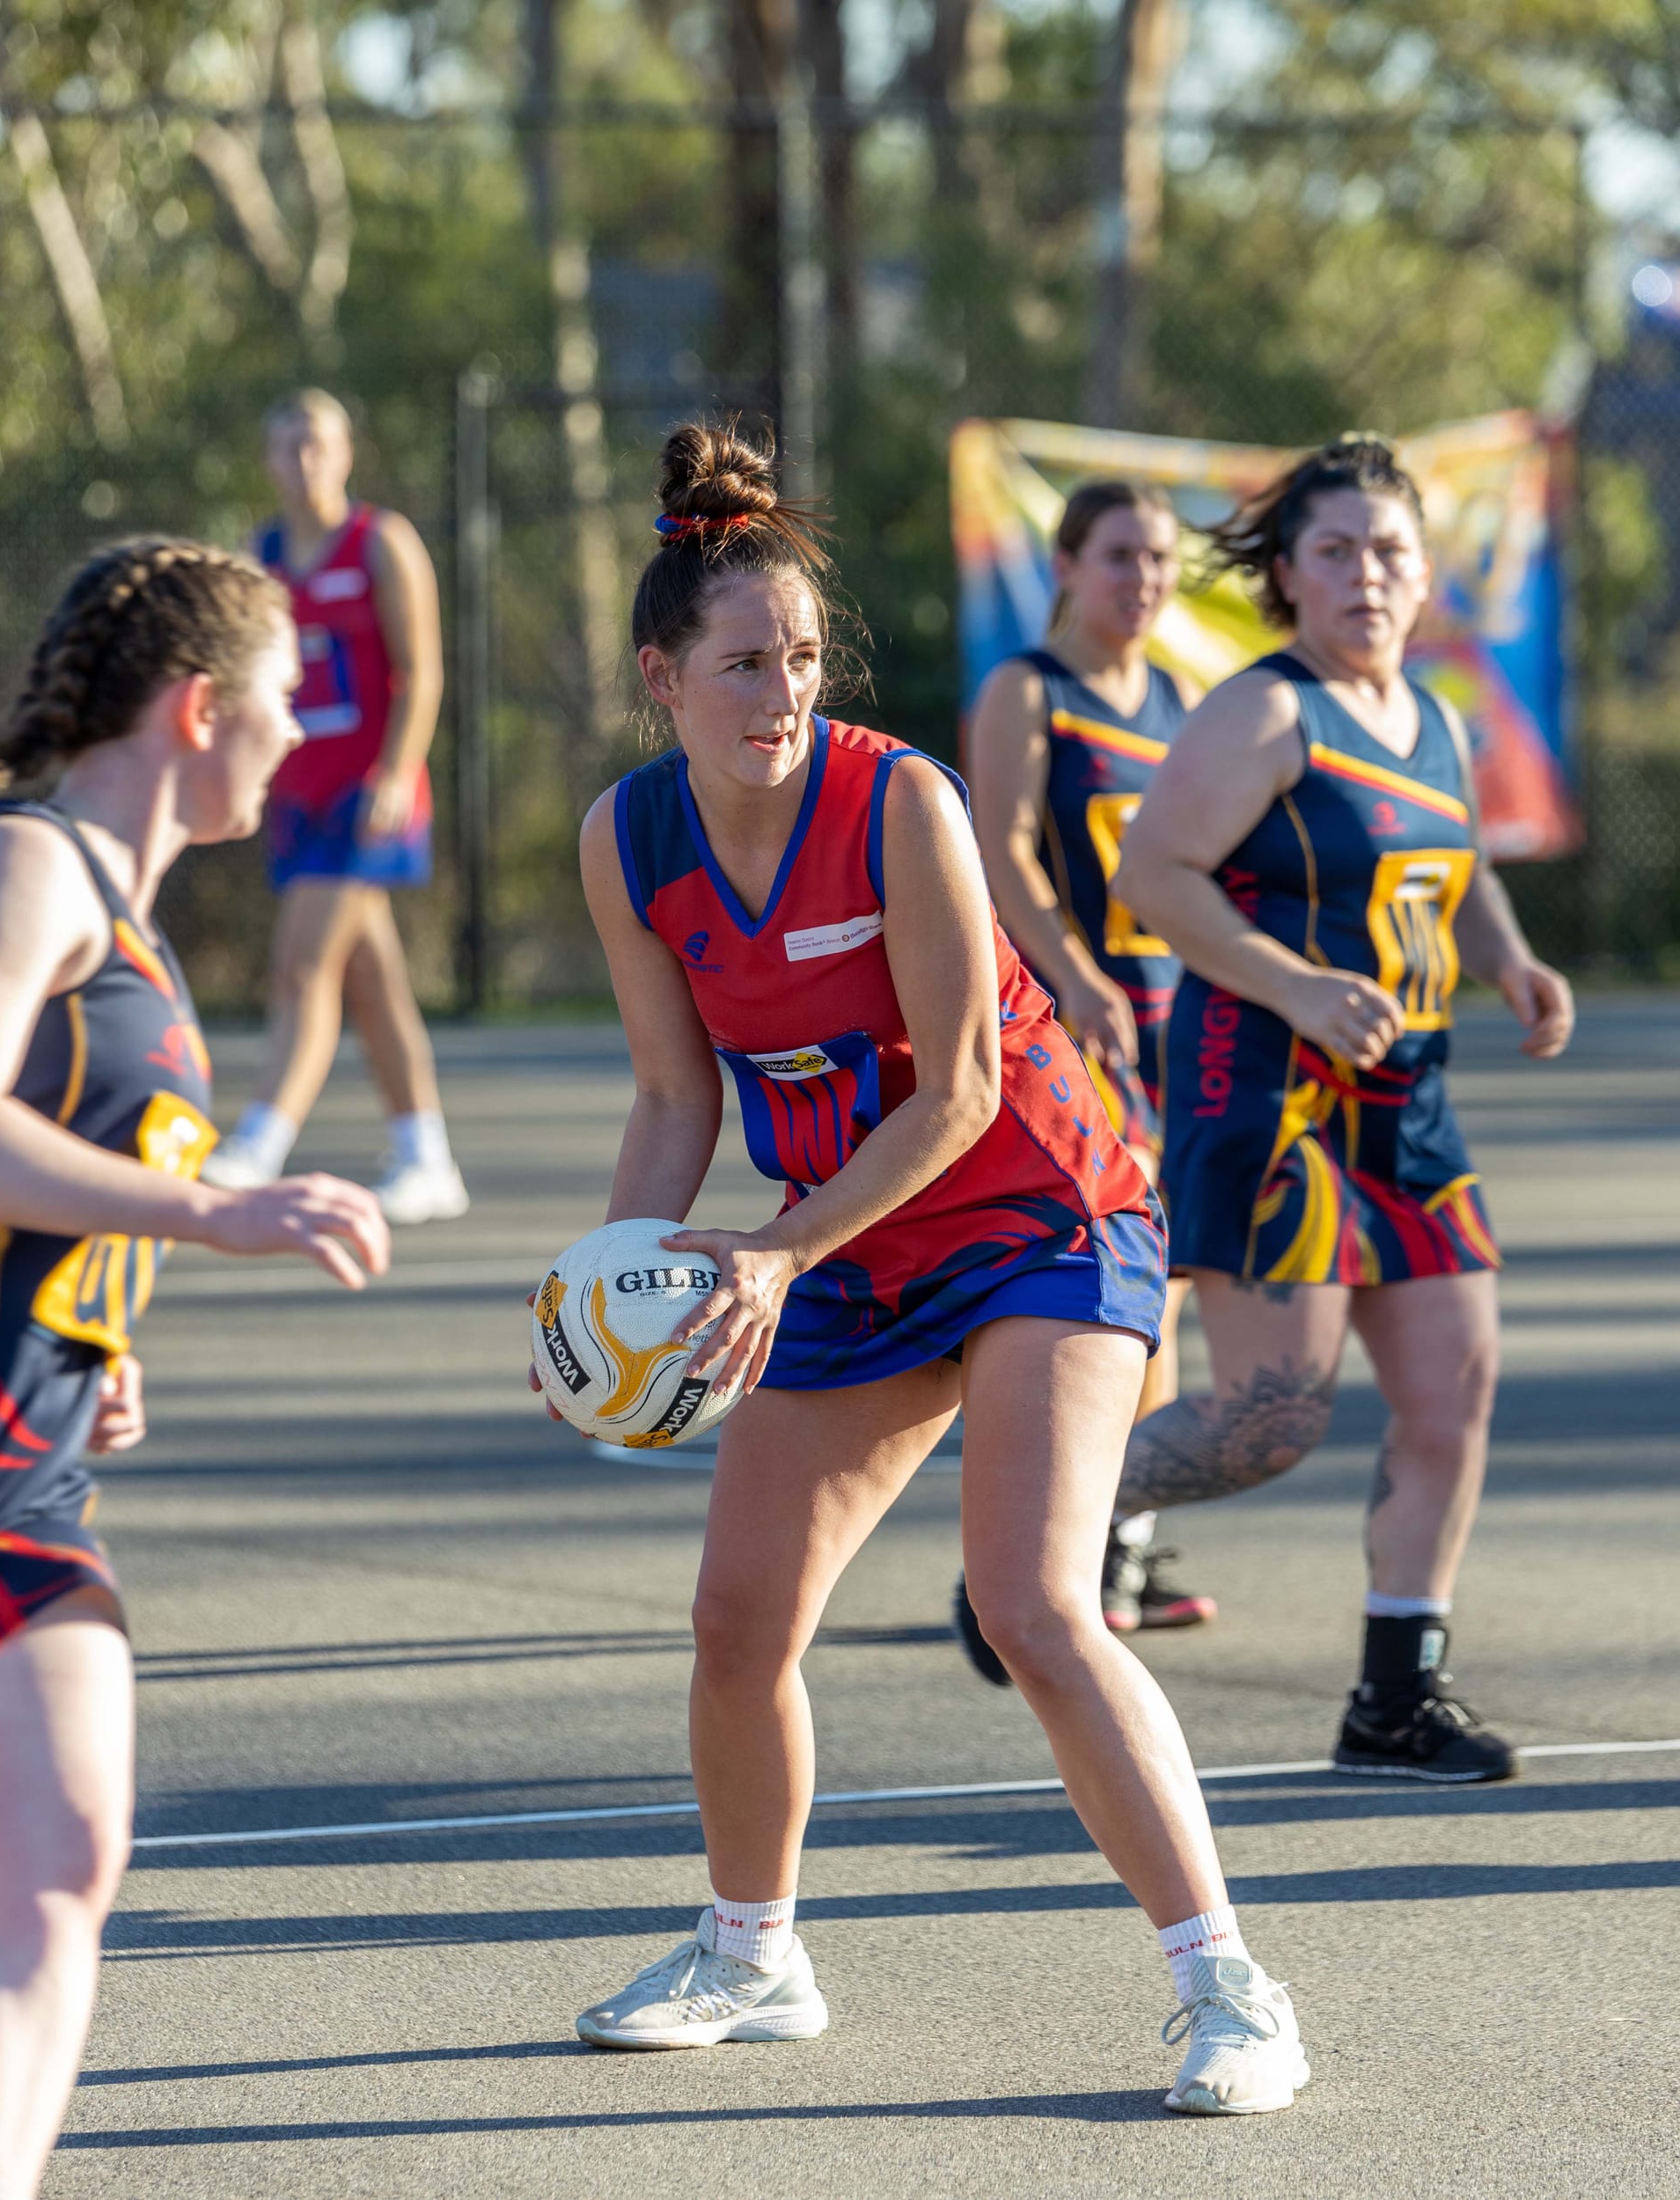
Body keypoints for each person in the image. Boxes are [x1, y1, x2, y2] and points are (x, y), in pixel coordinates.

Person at [539, 422, 1309, 2115]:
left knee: (1032, 1604)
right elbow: (678, 1096)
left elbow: (961, 1093)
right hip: (852, 1245)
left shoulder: (901, 802)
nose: (783, 692)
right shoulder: (632, 842)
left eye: (805, 658)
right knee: (738, 1622)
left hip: (1042, 1214)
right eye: (745, 663)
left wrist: (770, 1256)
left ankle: (1231, 1986)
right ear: (663, 676)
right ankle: (754, 1954)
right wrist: (609, 1296)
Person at [0, 538, 390, 2200]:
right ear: (200, 710)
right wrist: (215, 1212)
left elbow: (39, 1180)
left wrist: (92, 1326)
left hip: (3, 1479)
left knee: (56, 1862)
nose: (301, 730)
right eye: (283, 699)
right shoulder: (23, 867)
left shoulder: (133, 924)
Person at [1112, 436, 1574, 1784]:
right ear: (1289, 577)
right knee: (1268, 1420)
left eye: (1391, 550)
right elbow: (1155, 876)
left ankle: (1394, 1700)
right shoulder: (1265, 713)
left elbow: (1455, 869)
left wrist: (1510, 963)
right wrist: (1300, 987)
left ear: (1425, 573)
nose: (1368, 571)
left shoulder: (1429, 713)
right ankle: (1038, 1516)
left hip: (1407, 1098)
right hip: (1270, 1090)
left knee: (1455, 1391)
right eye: (1336, 549)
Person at [954, 479, 1212, 1676]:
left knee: (1176, 1285)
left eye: (1158, 558)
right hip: (1070, 1029)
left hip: (1175, 1022)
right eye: (1119, 555)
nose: (1143, 578)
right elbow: (998, 850)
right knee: (1121, 1281)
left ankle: (1127, 1536)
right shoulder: (1026, 691)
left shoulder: (1180, 699)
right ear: (1064, 563)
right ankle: (1053, 1548)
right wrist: (1072, 975)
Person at [200, 389, 468, 1225]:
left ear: (346, 452)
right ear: (269, 462)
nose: (304, 459)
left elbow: (421, 673)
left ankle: (256, 1142)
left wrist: (396, 771)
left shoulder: (382, 542)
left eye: (317, 442)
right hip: (297, 792)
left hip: (369, 794)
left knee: (300, 967)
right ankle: (426, 1156)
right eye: (287, 446)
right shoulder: (262, 554)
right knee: (370, 975)